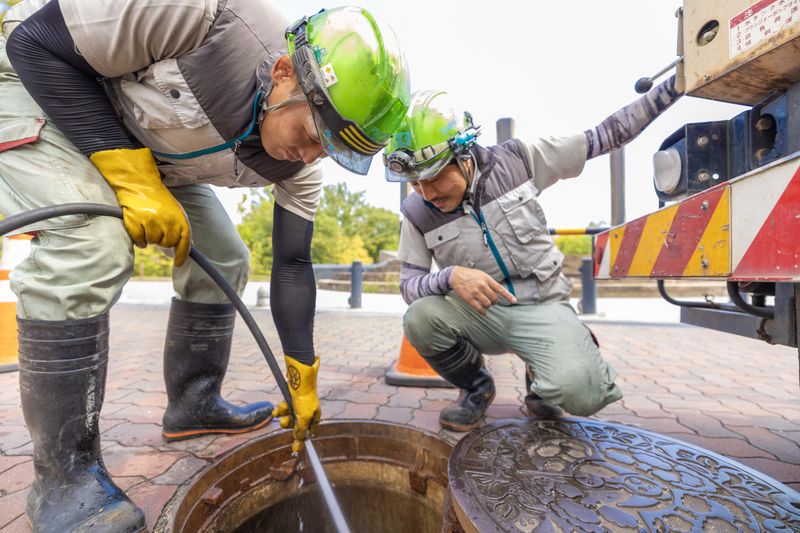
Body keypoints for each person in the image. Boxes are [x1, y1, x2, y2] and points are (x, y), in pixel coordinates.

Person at [0, 1, 409, 531]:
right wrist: (133, 179)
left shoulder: (301, 166)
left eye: (329, 151)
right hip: (37, 82)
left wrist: (302, 373)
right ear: (284, 74)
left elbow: (289, 263)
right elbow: (33, 43)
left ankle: (193, 404)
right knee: (92, 242)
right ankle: (63, 481)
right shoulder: (202, 14)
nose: (310, 157)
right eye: (313, 135)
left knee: (226, 255)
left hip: (138, 135)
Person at [383, 82, 680, 432]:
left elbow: (604, 136)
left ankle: (545, 373)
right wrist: (449, 277)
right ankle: (476, 388)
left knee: (583, 393)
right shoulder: (417, 212)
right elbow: (408, 286)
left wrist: (673, 87)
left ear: (464, 156)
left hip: (541, 306)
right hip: (481, 313)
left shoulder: (518, 160)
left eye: (432, 177)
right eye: (415, 183)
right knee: (419, 318)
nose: (426, 193)